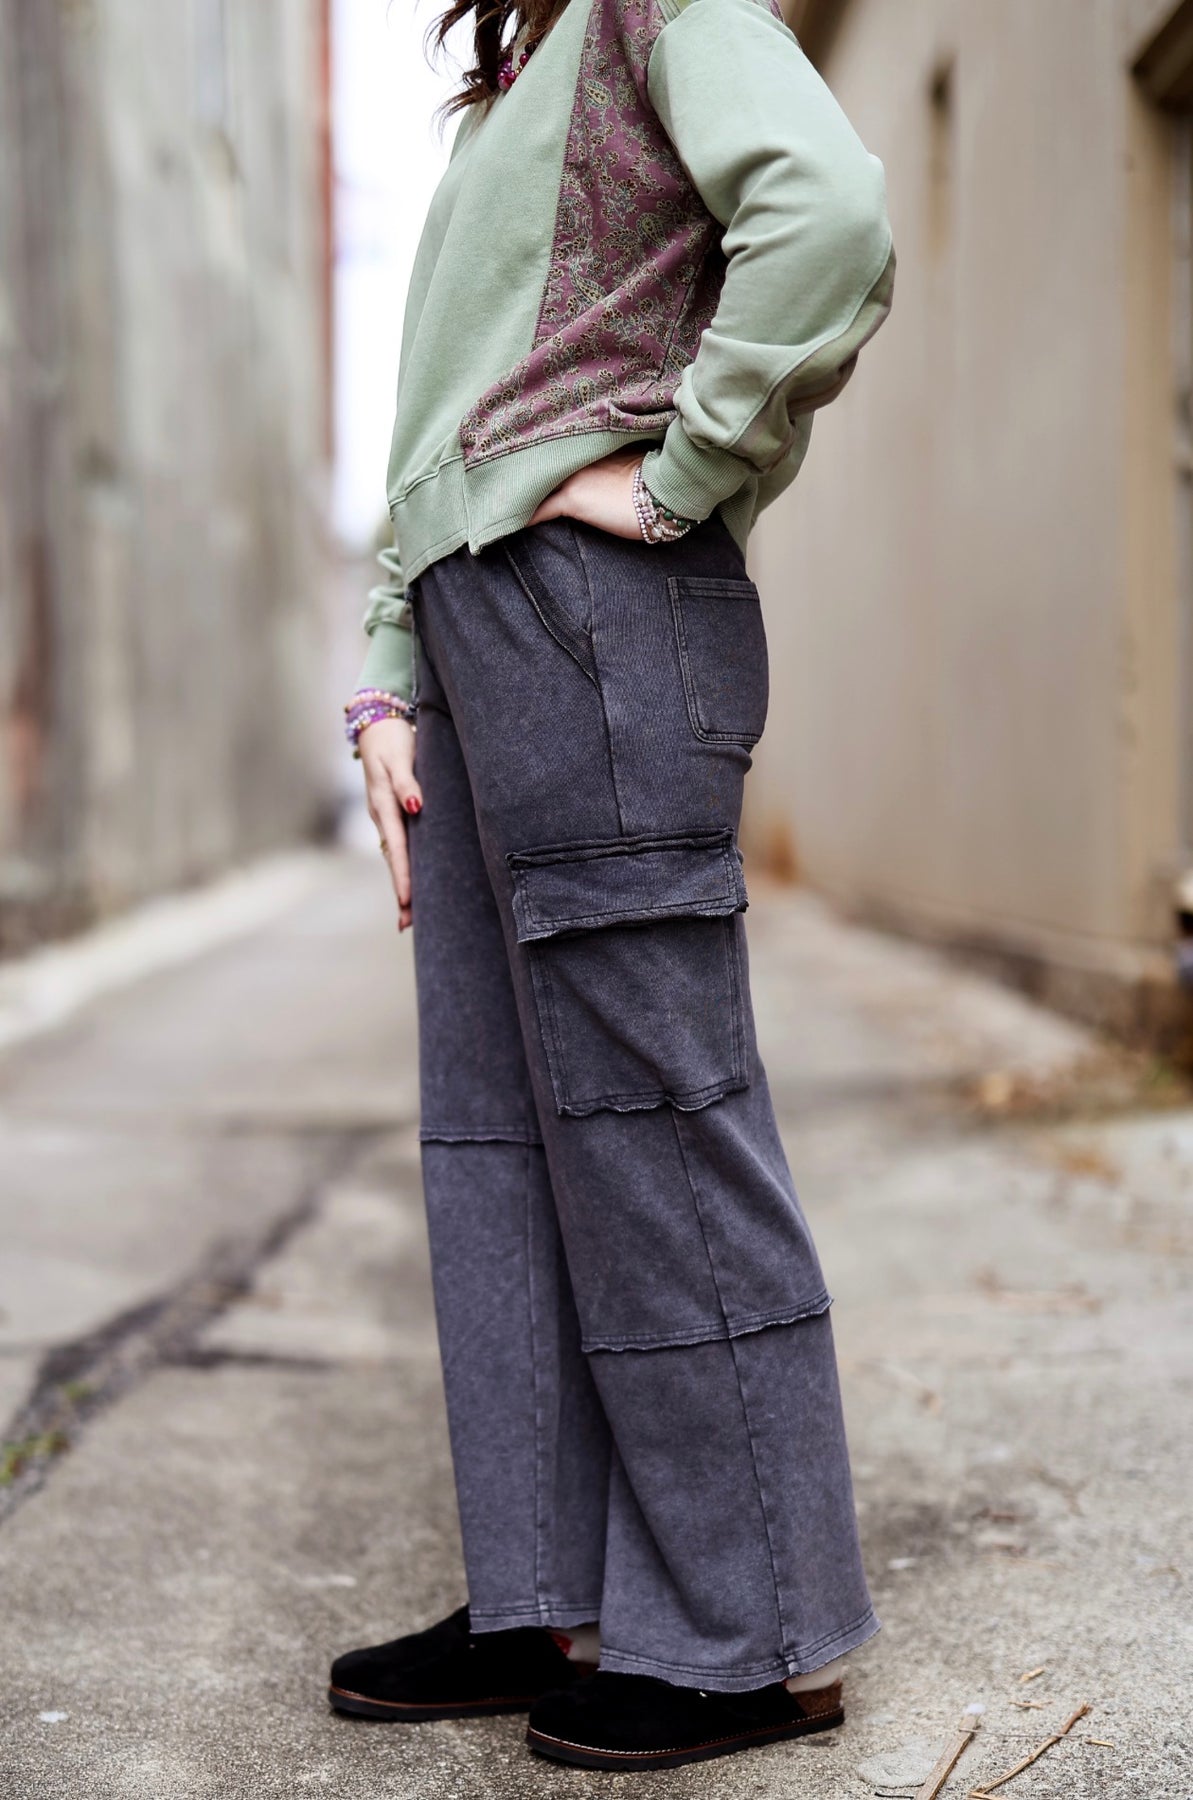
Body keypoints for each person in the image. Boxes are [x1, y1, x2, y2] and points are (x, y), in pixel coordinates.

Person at [329, 0, 894, 1771]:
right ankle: (551, 1597)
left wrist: (685, 471)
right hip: (483, 637)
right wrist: (387, 676)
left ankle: (752, 1631)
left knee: (654, 1121)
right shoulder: (520, 70)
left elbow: (827, 210)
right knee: (500, 1135)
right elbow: (448, 411)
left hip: (596, 624)